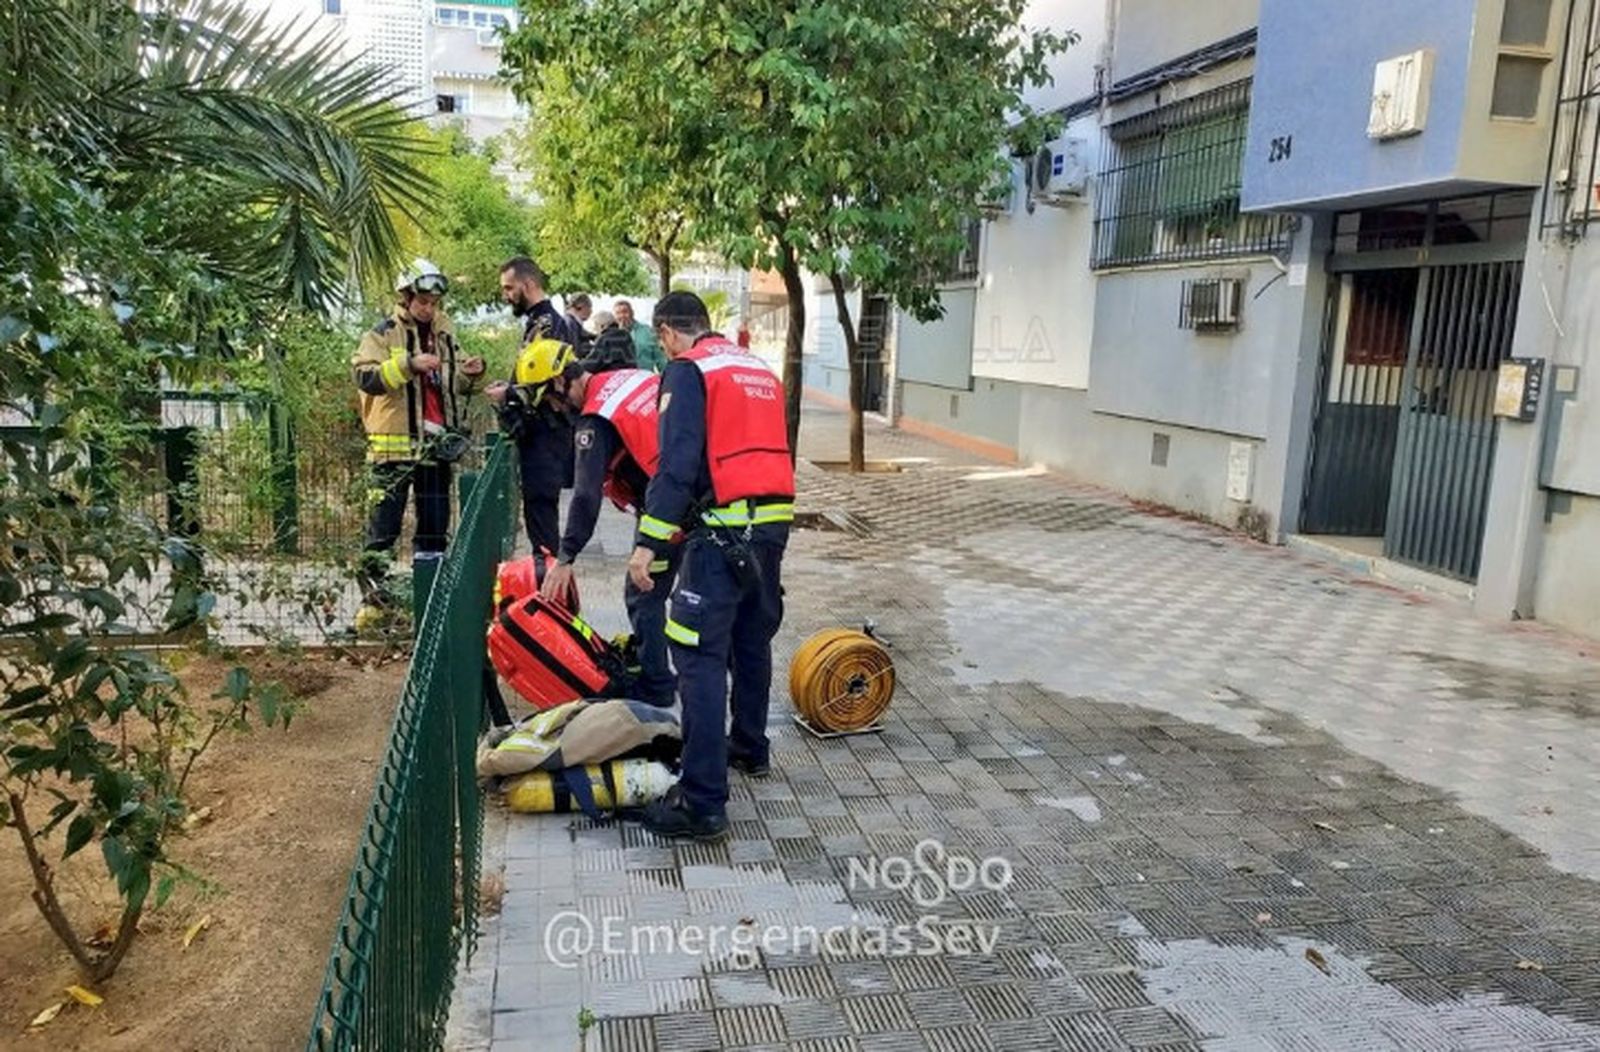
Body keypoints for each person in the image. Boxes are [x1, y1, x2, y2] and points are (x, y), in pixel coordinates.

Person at [627, 291, 794, 840]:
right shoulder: (756, 368)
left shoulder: (688, 371)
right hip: (771, 527)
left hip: (722, 533)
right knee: (751, 641)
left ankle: (701, 802)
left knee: (697, 655)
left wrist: (649, 544)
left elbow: (675, 463)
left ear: (669, 332)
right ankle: (749, 747)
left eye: (660, 341)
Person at [537, 328, 677, 707]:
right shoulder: (624, 377)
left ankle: (657, 687)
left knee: (642, 592)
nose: (555, 410)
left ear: (559, 381)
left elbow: (585, 495)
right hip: (690, 489)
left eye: (551, 399)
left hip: (669, 509)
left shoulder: (593, 419)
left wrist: (566, 557)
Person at [351, 259, 485, 626]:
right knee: (383, 530)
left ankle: (430, 604)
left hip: (434, 449)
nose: (428, 308)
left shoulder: (445, 333)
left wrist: (471, 373)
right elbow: (364, 377)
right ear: (406, 296)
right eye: (422, 301)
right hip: (391, 451)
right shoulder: (381, 334)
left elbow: (454, 384)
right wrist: (409, 365)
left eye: (433, 302)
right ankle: (374, 604)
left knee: (434, 527)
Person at [491, 256, 576, 555]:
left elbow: (547, 384)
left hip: (546, 432)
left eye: (509, 288)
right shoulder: (539, 323)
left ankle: (548, 586)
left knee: (541, 512)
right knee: (538, 512)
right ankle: (546, 580)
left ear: (528, 284)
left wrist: (509, 394)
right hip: (540, 434)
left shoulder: (548, 325)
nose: (506, 295)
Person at [614, 299, 667, 373]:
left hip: (645, 379)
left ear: (632, 313)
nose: (622, 316)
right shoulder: (610, 336)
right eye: (618, 313)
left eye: (625, 312)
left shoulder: (647, 331)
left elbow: (660, 359)